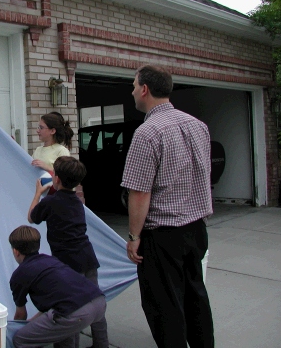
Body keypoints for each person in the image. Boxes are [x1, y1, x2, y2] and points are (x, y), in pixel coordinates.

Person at [121, 64, 214, 348]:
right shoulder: (198, 126)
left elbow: (139, 193)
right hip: (196, 230)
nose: (133, 91)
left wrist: (134, 237)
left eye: (135, 86)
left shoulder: (147, 133)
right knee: (195, 296)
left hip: (163, 237)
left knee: (164, 306)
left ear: (145, 90)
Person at [28, 156, 108, 348]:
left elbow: (31, 217)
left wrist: (38, 193)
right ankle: (101, 344)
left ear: (56, 179)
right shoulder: (77, 202)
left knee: (67, 309)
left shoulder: (50, 202)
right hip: (88, 258)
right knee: (95, 303)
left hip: (67, 264)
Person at [9, 225, 107, 348]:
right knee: (62, 329)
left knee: (20, 339)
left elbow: (20, 316)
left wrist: (18, 329)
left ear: (15, 251)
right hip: (99, 302)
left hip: (75, 313)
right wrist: (33, 323)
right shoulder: (50, 260)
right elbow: (56, 301)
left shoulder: (19, 274)